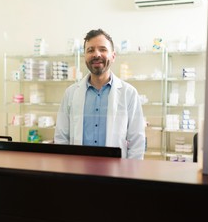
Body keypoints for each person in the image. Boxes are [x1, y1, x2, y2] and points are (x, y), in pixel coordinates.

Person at [54, 29, 145, 159]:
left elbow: (137, 142)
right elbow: (61, 137)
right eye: (90, 50)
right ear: (84, 56)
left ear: (113, 56)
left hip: (116, 172)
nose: (96, 54)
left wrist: (129, 176)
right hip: (78, 171)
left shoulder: (128, 93)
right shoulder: (71, 93)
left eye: (103, 49)